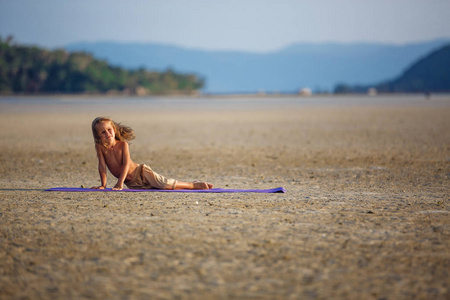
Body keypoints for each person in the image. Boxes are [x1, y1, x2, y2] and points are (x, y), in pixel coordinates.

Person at [90, 116, 213, 190]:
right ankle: (192, 184)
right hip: (132, 182)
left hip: (141, 173)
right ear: (98, 136)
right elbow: (102, 166)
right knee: (162, 188)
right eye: (103, 132)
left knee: (164, 184)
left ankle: (194, 185)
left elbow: (126, 164)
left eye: (109, 130)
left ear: (114, 130)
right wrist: (103, 185)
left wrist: (119, 182)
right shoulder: (100, 147)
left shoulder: (122, 145)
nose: (107, 134)